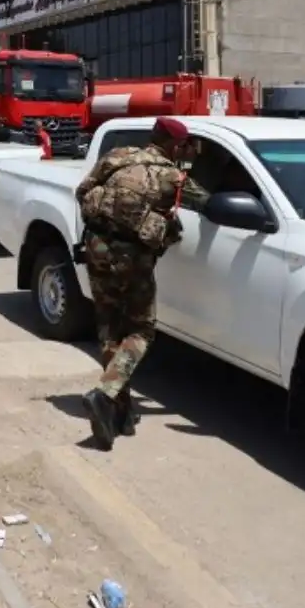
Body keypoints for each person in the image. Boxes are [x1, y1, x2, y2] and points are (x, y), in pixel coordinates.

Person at [73, 116, 207, 450]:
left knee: (108, 325)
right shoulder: (172, 176)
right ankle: (105, 393)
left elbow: (82, 192)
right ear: (174, 145)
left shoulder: (117, 156)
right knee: (141, 330)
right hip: (133, 258)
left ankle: (118, 410)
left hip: (96, 247)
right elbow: (207, 202)